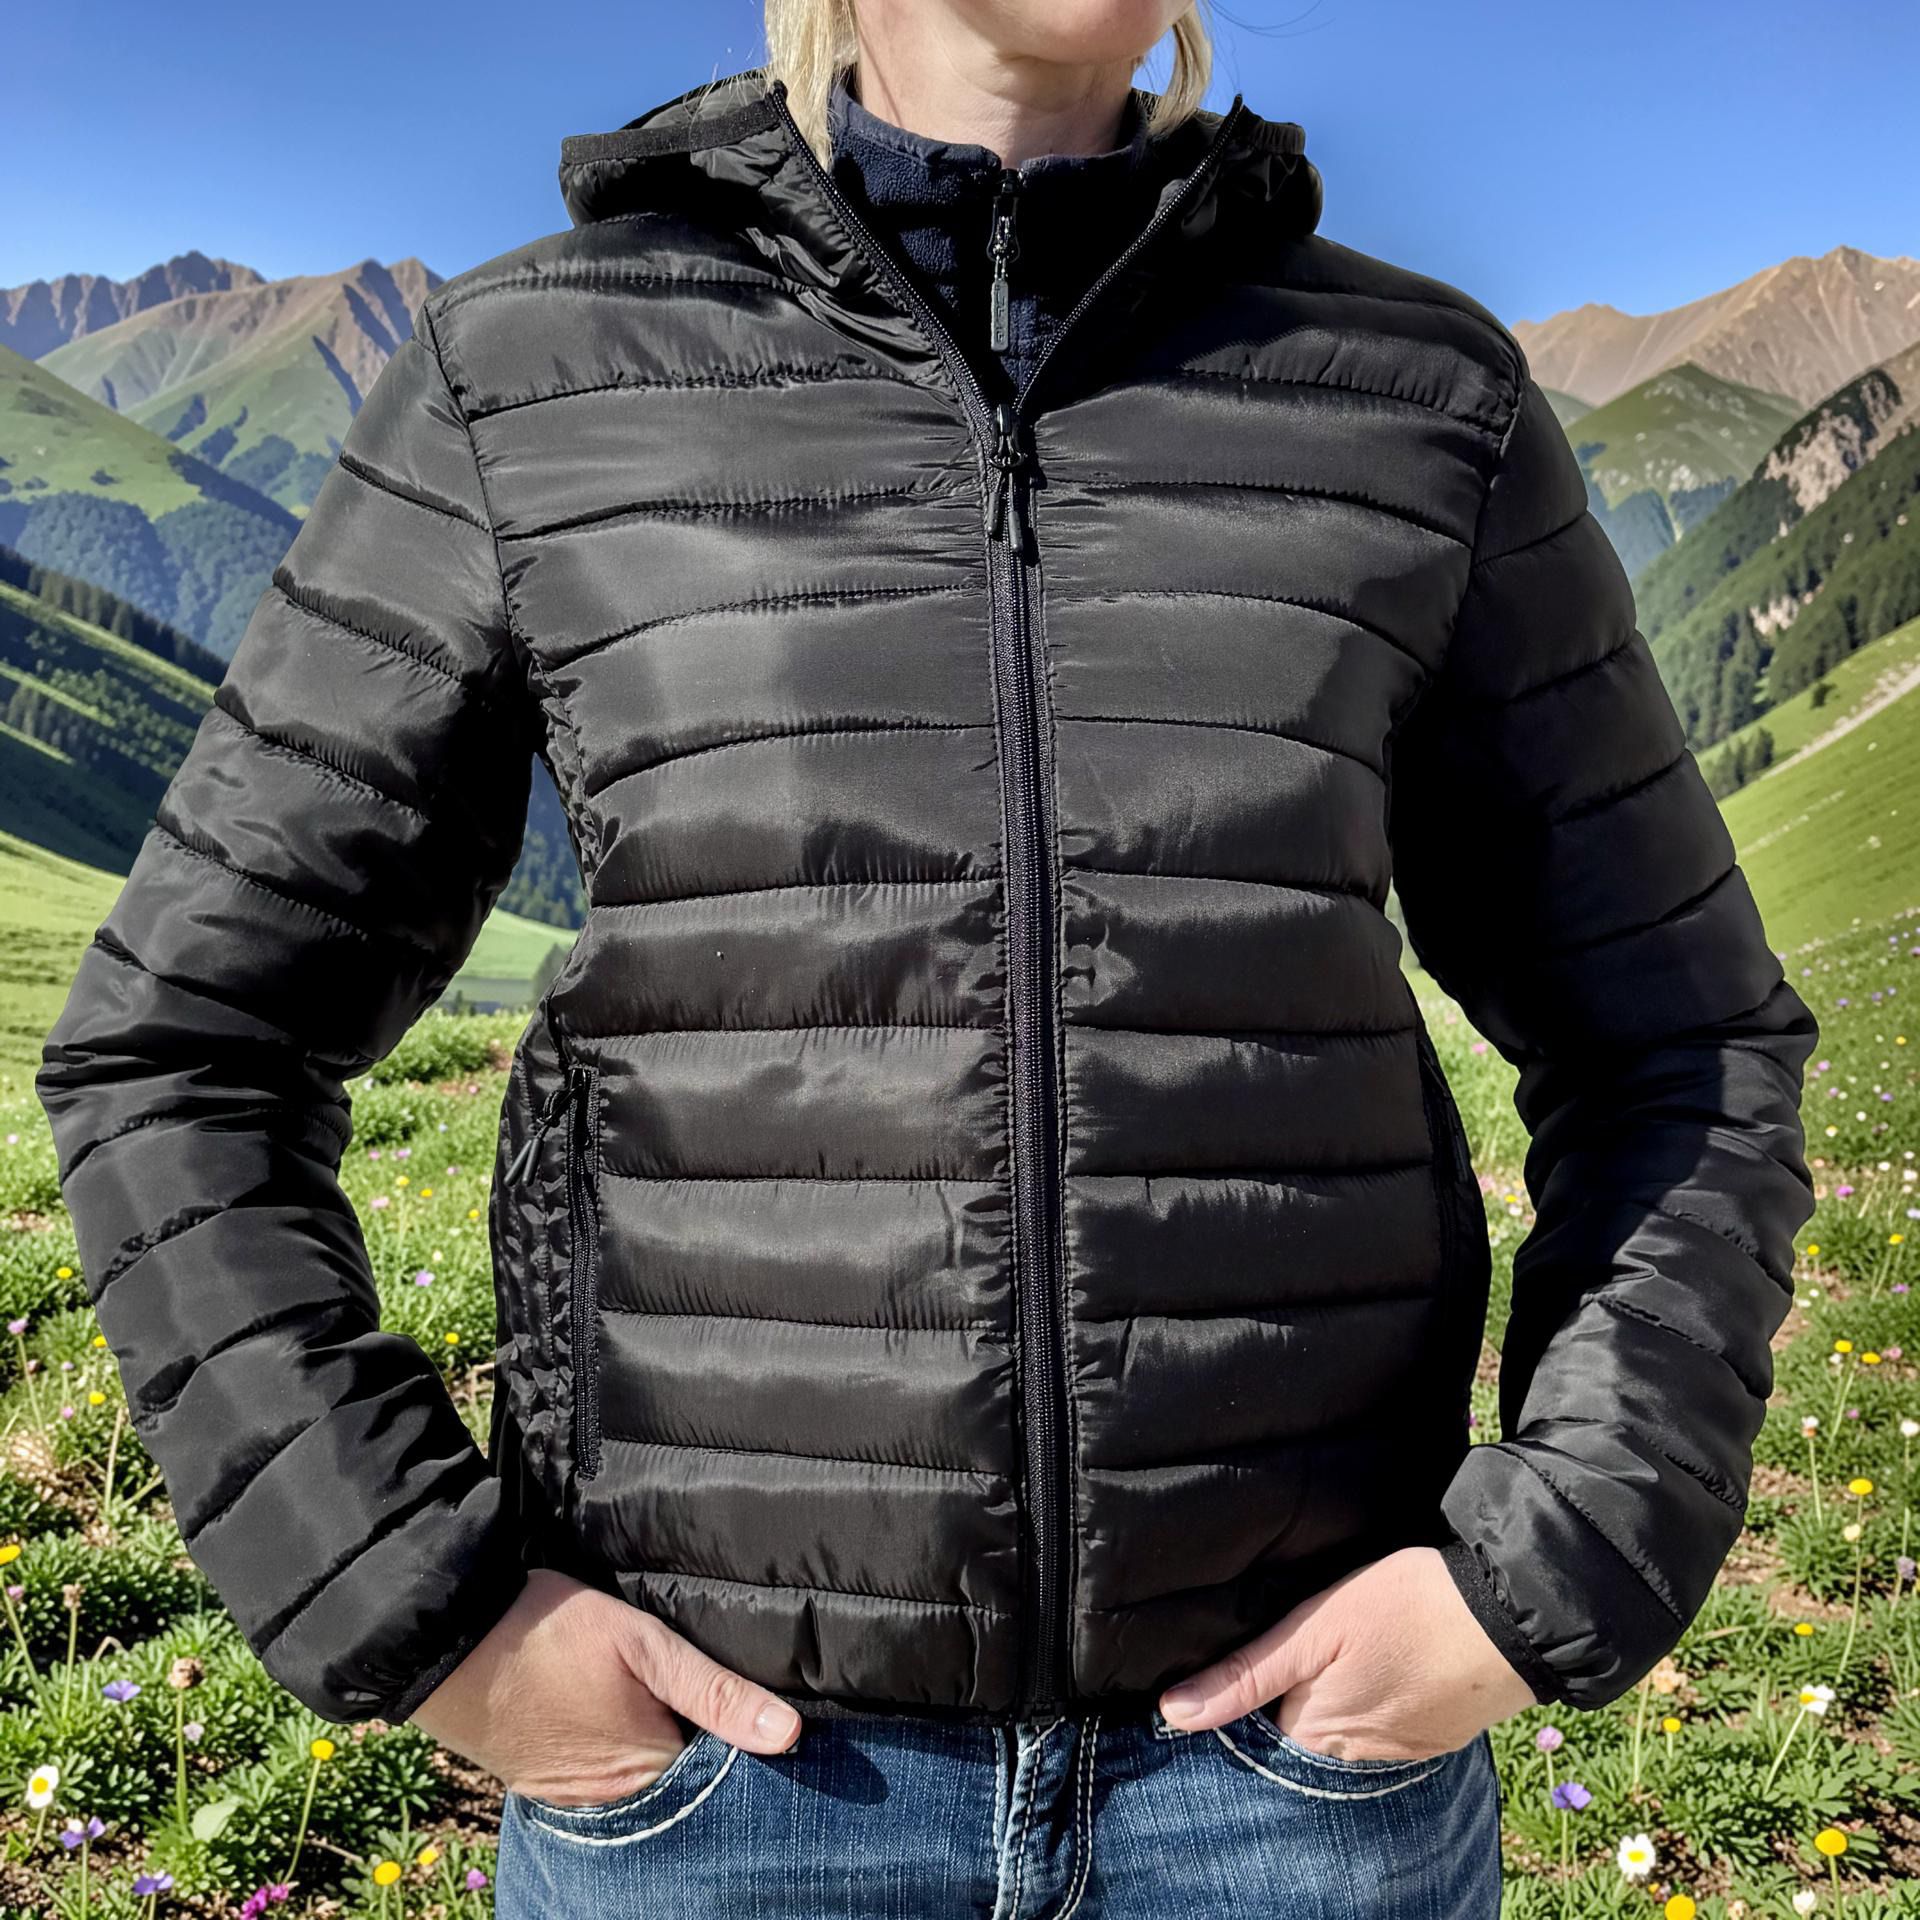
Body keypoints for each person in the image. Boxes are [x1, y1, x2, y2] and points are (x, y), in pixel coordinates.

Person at [34, 1, 1818, 1913]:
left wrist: (1546, 1566)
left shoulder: (1417, 399)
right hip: (724, 1804)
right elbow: (180, 1052)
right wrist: (424, 1608)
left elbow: (1685, 1049)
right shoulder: (529, 377)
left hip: (1296, 1797)